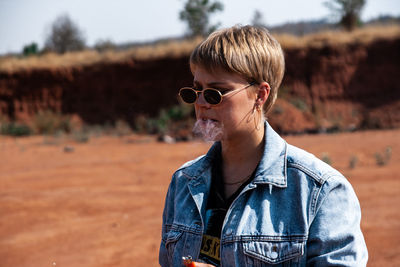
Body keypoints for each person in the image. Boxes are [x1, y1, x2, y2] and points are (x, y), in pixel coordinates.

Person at [159, 25, 368, 266]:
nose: (202, 102)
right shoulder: (183, 182)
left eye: (217, 92)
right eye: (196, 91)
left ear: (260, 94)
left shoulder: (320, 190)